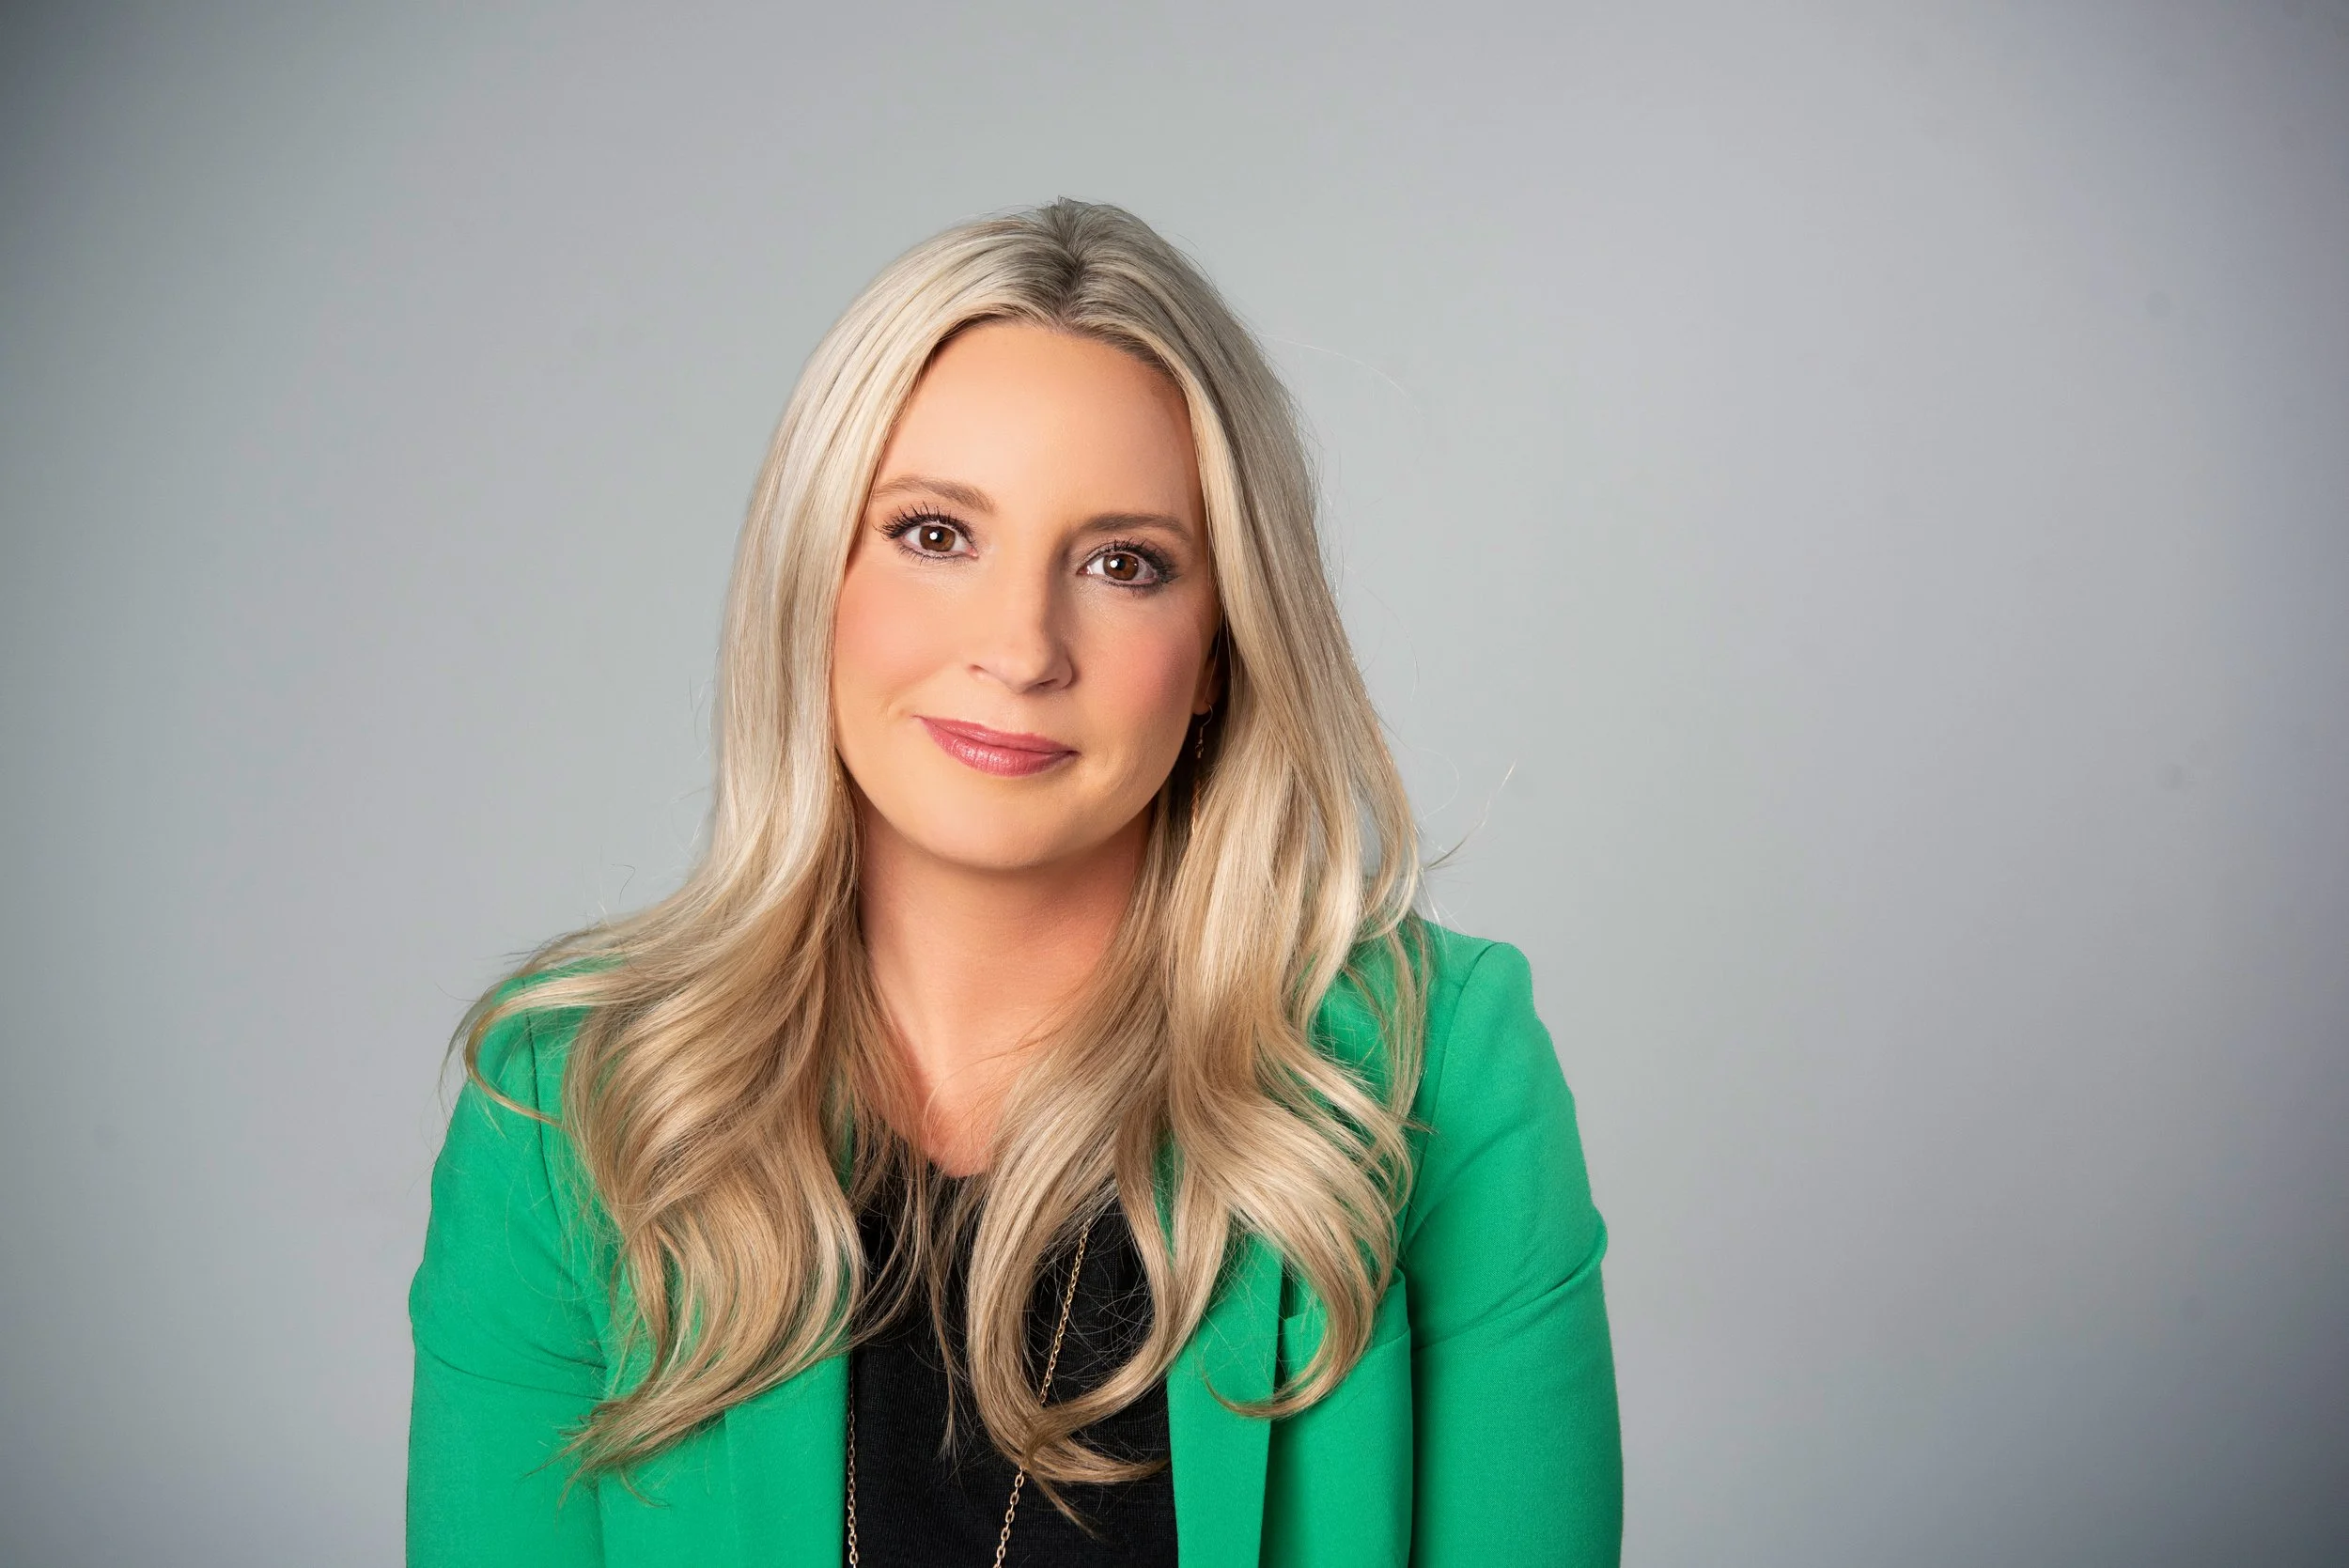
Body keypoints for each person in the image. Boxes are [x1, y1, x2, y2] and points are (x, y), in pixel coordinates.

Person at [406, 198, 1621, 1567]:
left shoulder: (1432, 1075)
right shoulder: (569, 1113)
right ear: (815, 576)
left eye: (1124, 564)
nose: (1023, 645)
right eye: (936, 534)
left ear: (1222, 644)